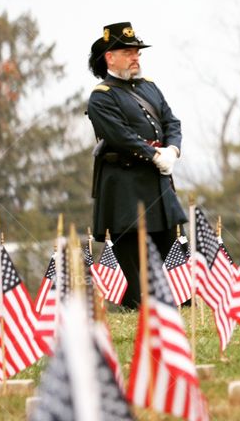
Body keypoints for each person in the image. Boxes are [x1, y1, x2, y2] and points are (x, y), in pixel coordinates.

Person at [87, 22, 185, 308]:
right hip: (125, 189)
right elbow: (121, 137)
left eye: (137, 52)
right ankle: (137, 312)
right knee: (133, 267)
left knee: (173, 254)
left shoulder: (150, 87)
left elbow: (171, 121)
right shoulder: (102, 96)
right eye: (128, 52)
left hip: (158, 182)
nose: (135, 57)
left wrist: (173, 150)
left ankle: (178, 308)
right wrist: (155, 156)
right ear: (110, 57)